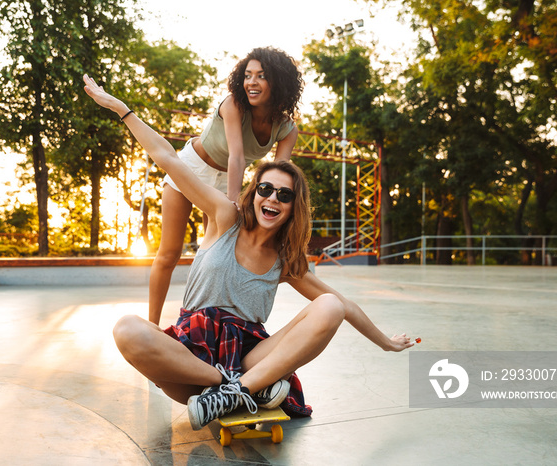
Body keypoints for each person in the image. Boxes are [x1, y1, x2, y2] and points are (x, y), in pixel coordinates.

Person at [83, 74, 414, 431]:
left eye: (283, 195)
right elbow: (168, 158)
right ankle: (236, 389)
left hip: (251, 360)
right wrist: (122, 110)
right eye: (265, 188)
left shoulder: (286, 262)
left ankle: (237, 390)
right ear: (254, 192)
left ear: (292, 208)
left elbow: (342, 305)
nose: (272, 198)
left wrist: (386, 344)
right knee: (128, 330)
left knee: (329, 305)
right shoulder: (225, 218)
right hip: (193, 358)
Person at [150, 47, 304, 326]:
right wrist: (234, 203)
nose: (251, 83)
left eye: (261, 76)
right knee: (170, 252)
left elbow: (278, 176)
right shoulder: (233, 104)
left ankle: (197, 324)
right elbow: (237, 155)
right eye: (248, 75)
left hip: (227, 178)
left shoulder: (287, 129)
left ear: (279, 82)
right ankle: (152, 327)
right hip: (192, 166)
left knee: (213, 256)